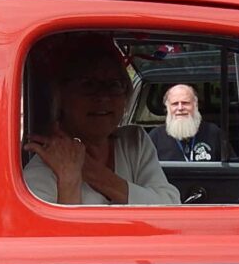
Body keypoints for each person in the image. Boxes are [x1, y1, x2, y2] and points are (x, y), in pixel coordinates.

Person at [22, 33, 181, 205]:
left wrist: (94, 173)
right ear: (61, 96)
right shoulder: (42, 169)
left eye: (114, 84)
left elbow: (171, 206)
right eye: (87, 84)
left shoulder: (134, 142)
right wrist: (69, 179)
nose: (103, 97)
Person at [149, 84, 225, 161]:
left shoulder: (213, 132)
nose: (180, 108)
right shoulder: (156, 136)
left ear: (195, 105)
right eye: (175, 104)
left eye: (185, 103)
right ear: (167, 107)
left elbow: (229, 164)